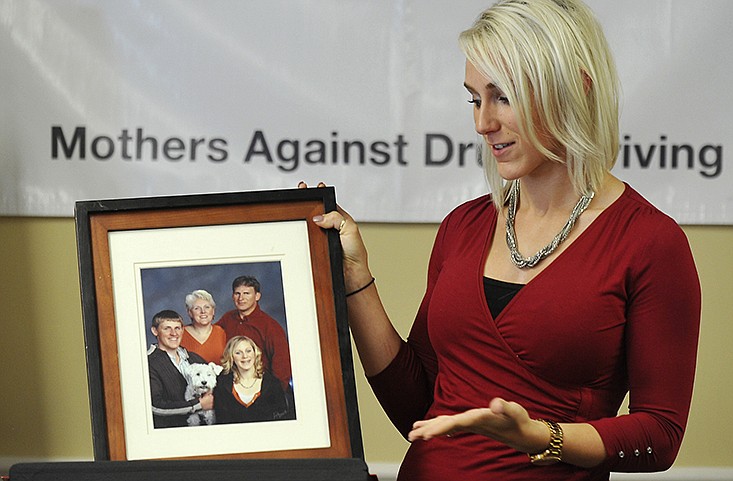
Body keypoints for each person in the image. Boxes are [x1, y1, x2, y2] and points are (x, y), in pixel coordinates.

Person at [305, 0, 701, 479]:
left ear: (575, 89)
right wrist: (355, 279)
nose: (482, 123)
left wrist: (541, 436)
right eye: (475, 98)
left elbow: (660, 436)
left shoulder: (650, 242)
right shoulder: (463, 226)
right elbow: (421, 410)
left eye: (504, 97)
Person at [217, 275, 292, 392]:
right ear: (233, 296)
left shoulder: (271, 327)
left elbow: (282, 369)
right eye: (237, 293)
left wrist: (273, 394)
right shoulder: (228, 318)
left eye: (247, 293)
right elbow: (209, 335)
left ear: (257, 296)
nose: (241, 298)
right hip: (231, 387)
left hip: (260, 389)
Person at [147, 309, 214, 428]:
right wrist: (197, 405)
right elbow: (154, 406)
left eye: (177, 328)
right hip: (172, 432)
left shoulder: (195, 359)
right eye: (167, 328)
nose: (174, 333)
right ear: (155, 331)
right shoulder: (149, 362)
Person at [214, 336, 293, 424]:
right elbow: (221, 421)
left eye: (248, 351)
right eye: (238, 353)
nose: (245, 356)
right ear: (231, 357)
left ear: (255, 353)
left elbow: (283, 420)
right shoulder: (222, 383)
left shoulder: (272, 383)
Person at [180, 289, 227, 364]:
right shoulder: (179, 334)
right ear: (190, 313)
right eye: (197, 308)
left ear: (213, 311)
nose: (203, 311)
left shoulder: (222, 333)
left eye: (207, 307)